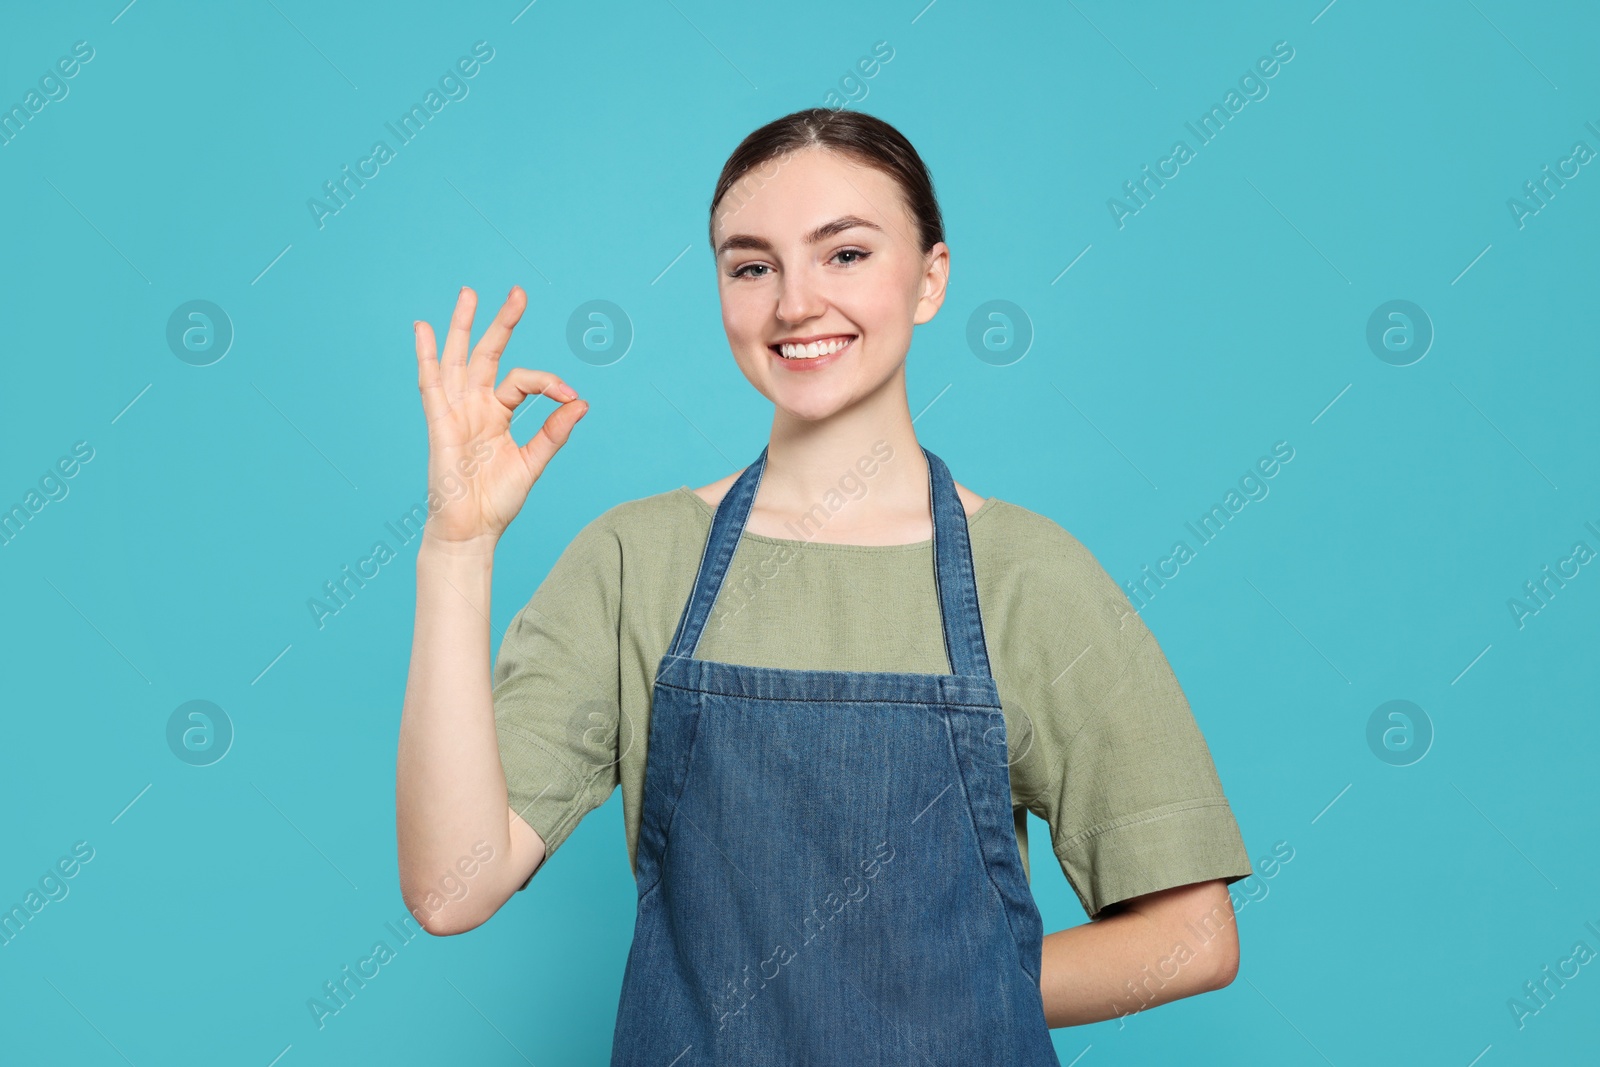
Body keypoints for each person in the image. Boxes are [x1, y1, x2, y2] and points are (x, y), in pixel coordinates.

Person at [397, 107, 1254, 1063]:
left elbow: (1192, 937)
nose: (795, 303)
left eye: (844, 254)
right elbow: (448, 890)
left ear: (930, 278)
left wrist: (927, 992)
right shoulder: (636, 561)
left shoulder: (1031, 576)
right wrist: (457, 551)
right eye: (752, 265)